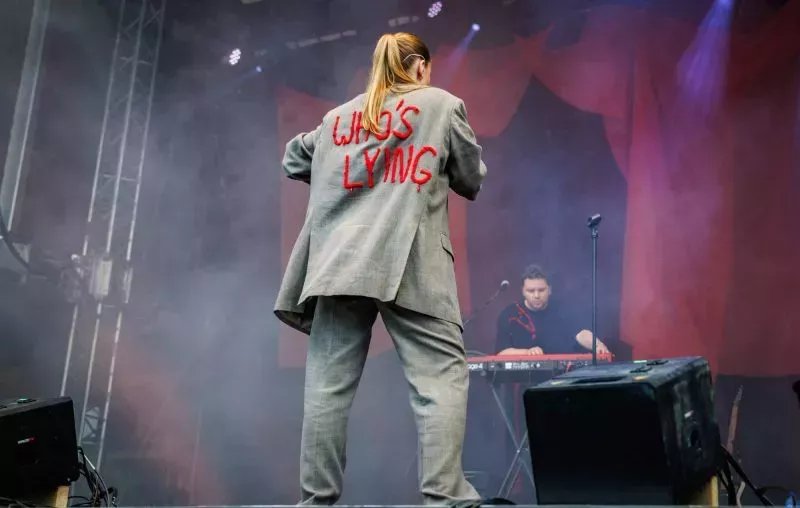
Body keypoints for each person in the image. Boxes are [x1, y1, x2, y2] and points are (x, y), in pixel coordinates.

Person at [274, 32, 486, 505]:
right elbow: (471, 179)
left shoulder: (338, 118)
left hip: (339, 263)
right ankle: (445, 498)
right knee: (440, 378)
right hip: (411, 260)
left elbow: (293, 158)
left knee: (327, 388)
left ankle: (316, 501)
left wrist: (344, 160)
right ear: (419, 67)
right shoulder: (441, 105)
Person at [495, 265, 610, 356]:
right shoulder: (510, 314)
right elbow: (501, 352)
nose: (536, 295)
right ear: (523, 291)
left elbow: (581, 333)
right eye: (531, 291)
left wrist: (598, 345)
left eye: (541, 290)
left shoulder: (562, 309)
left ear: (549, 290)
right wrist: (527, 352)